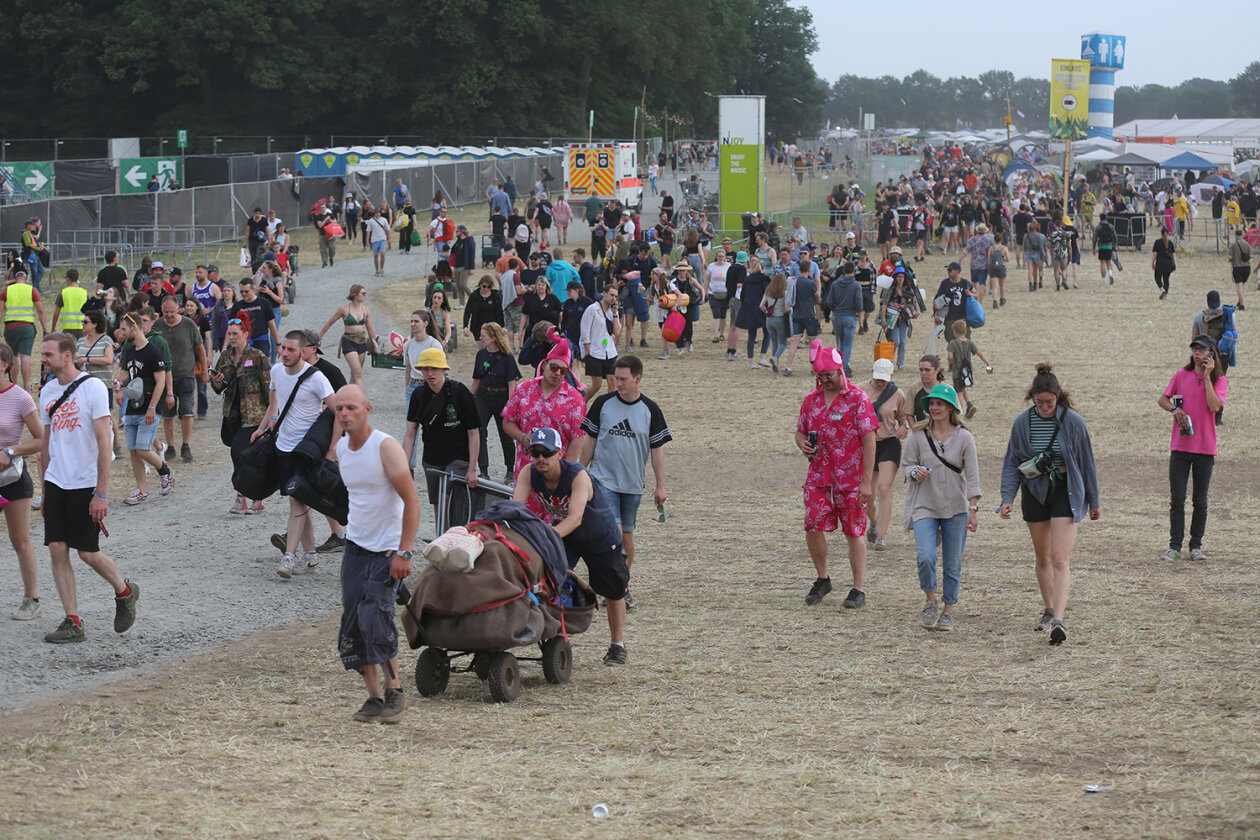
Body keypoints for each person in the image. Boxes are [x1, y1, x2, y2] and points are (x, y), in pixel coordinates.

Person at [37, 333, 138, 644]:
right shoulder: (46, 392)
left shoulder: (93, 387)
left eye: (48, 354)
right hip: (56, 482)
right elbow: (46, 444)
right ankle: (73, 620)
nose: (43, 359)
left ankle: (125, 591)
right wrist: (43, 491)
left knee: (88, 553)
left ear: (66, 356)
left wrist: (101, 492)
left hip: (85, 484)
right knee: (57, 548)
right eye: (42, 354)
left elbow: (103, 442)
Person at [333, 384, 419, 724]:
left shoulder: (385, 447)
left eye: (351, 408)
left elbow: (411, 501)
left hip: (387, 551)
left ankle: (394, 690)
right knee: (353, 622)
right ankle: (373, 697)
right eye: (339, 408)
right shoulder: (342, 448)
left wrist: (405, 552)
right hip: (355, 548)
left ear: (367, 409)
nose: (345, 414)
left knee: (376, 619)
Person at [999, 364, 1101, 646]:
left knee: (1059, 558)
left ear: (1059, 397)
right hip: (1035, 490)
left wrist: (1094, 500)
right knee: (1042, 557)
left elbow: (1087, 463)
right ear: (1032, 398)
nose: (1044, 407)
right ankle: (1048, 608)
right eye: (1039, 402)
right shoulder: (1023, 423)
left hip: (1066, 492)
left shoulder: (1073, 422)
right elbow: (1012, 462)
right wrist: (1007, 498)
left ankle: (1059, 618)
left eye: (1050, 402)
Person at [512, 427, 629, 666]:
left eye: (547, 452)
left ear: (560, 453)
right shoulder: (529, 472)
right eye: (535, 452)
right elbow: (515, 510)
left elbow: (575, 518)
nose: (541, 458)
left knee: (613, 590)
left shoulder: (577, 475)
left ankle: (617, 645)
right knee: (552, 581)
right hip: (566, 536)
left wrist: (545, 538)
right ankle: (557, 640)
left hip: (599, 535)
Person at [571, 354, 669, 607]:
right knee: (613, 536)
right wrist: (580, 472)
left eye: (624, 379)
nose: (618, 383)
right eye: (616, 377)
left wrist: (660, 485)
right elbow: (590, 440)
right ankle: (613, 588)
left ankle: (621, 585)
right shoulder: (603, 403)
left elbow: (657, 450)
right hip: (603, 481)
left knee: (626, 537)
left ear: (638, 379)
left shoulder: (650, 410)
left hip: (633, 485)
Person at [796, 340, 877, 609]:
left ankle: (858, 588)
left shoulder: (858, 400)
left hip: (851, 480)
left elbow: (869, 440)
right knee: (812, 523)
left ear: (840, 372)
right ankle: (822, 578)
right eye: (819, 377)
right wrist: (801, 442)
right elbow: (800, 430)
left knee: (854, 532)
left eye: (828, 376)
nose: (824, 381)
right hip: (819, 477)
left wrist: (867, 482)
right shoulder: (811, 400)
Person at [252, 331, 336, 578]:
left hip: (307, 451)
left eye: (291, 350)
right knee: (298, 498)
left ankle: (288, 558)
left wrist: (331, 448)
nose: (285, 353)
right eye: (283, 349)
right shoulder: (277, 371)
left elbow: (337, 411)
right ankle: (309, 555)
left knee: (297, 501)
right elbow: (273, 404)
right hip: (283, 447)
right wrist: (261, 427)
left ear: (304, 351)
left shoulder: (317, 378)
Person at [900, 383, 981, 632]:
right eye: (932, 404)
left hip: (956, 507)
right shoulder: (917, 436)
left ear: (951, 408)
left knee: (953, 562)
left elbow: (974, 476)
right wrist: (915, 471)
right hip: (924, 504)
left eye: (940, 404)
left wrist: (973, 508)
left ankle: (948, 610)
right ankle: (930, 601)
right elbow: (906, 466)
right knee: (926, 557)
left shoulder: (965, 437)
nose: (934, 408)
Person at [1159, 335, 1227, 562]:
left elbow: (1214, 406)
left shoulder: (1219, 380)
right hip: (1180, 447)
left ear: (1211, 353)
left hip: (1205, 449)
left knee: (1200, 499)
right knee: (1177, 498)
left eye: (1202, 349)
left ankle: (1196, 546)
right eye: (1194, 349)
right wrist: (1173, 410)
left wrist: (1208, 377)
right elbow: (1163, 399)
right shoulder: (1181, 375)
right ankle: (1174, 546)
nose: (1197, 353)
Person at [401, 347, 479, 527]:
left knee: (449, 502)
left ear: (443, 369)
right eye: (426, 369)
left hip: (459, 457)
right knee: (437, 504)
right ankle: (442, 538)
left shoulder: (460, 392)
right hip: (432, 458)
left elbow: (473, 432)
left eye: (434, 369)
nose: (430, 373)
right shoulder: (419, 395)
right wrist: (405, 466)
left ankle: (453, 538)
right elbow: (411, 432)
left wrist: (472, 468)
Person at [211, 313, 272, 514]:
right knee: (244, 454)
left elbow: (269, 388)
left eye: (236, 333)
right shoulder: (226, 357)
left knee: (240, 451)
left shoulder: (257, 357)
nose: (232, 337)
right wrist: (218, 382)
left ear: (245, 333)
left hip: (254, 414)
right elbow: (219, 386)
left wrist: (272, 415)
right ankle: (256, 497)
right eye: (229, 334)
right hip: (233, 413)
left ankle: (242, 496)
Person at [0, 343, 44, 620]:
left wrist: (10, 451)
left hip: (12, 478)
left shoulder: (20, 398)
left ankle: (32, 599)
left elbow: (41, 439)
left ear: (4, 364)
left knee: (20, 540)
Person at [501, 339, 587, 478]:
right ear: (543, 366)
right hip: (525, 471)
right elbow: (507, 422)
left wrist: (566, 474)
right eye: (553, 367)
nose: (557, 373)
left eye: (563, 371)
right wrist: (522, 437)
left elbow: (578, 438)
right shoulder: (523, 390)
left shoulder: (575, 399)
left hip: (556, 475)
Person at [116, 313, 173, 504]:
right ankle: (141, 490)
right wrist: (119, 383)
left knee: (142, 448)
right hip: (132, 407)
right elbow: (128, 375)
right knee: (133, 451)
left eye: (124, 329)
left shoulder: (153, 351)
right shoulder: (130, 350)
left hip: (148, 408)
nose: (121, 332)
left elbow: (161, 381)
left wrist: (153, 407)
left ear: (134, 327)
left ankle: (165, 472)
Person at [859, 358, 909, 552]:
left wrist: (904, 426)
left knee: (883, 489)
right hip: (867, 444)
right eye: (878, 378)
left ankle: (881, 537)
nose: (881, 383)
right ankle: (874, 521)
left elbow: (903, 417)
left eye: (884, 380)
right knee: (868, 495)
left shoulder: (897, 394)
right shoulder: (859, 390)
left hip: (889, 443)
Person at [153, 296, 207, 463]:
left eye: (172, 312)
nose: (169, 315)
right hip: (164, 377)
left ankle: (186, 445)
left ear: (178, 309)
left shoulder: (188, 324)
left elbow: (200, 348)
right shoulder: (158, 325)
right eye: (166, 312)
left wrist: (205, 371)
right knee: (168, 414)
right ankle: (170, 446)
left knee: (186, 411)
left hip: (186, 374)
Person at [469, 323, 521, 480]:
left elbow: (512, 384)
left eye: (483, 335)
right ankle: (483, 470)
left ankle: (510, 470)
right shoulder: (481, 355)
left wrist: (511, 406)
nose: (480, 338)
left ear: (493, 338)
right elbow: (477, 379)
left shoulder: (507, 358)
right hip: (483, 396)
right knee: (479, 432)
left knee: (505, 434)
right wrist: (469, 399)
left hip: (501, 398)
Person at [318, 285, 379, 387]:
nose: (365, 295)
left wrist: (375, 344)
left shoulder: (366, 310)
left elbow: (370, 329)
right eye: (363, 293)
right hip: (348, 341)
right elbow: (330, 322)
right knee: (358, 373)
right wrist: (319, 337)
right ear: (355, 294)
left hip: (361, 342)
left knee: (355, 375)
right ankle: (361, 399)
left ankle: (347, 398)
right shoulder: (344, 309)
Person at [0, 268, 48, 391]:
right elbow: (41, 310)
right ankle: (27, 386)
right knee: (25, 357)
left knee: (14, 357)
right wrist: (44, 328)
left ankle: (13, 385)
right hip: (27, 328)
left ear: (15, 279)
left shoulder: (6, 290)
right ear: (26, 279)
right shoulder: (32, 290)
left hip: (10, 328)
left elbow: (0, 310)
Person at [580, 283, 621, 401]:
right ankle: (582, 401)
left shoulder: (613, 311)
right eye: (611, 295)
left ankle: (611, 407)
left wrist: (614, 314)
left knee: (612, 382)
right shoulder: (592, 309)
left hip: (610, 352)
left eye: (615, 296)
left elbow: (617, 332)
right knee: (597, 385)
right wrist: (586, 354)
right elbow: (585, 333)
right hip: (594, 352)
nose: (614, 298)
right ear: (604, 294)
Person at [945, 320, 992, 420]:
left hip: (958, 371)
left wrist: (950, 365)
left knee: (958, 393)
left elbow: (949, 356)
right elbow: (979, 353)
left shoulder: (953, 343)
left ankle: (959, 413)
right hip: (967, 371)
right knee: (963, 387)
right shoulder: (969, 342)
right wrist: (987, 363)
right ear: (965, 331)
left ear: (954, 331)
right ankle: (970, 404)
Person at [462, 275, 503, 342]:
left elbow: (500, 313)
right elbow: (467, 311)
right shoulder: (474, 296)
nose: (486, 289)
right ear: (480, 285)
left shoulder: (496, 296)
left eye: (488, 287)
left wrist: (501, 326)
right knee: (481, 346)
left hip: (492, 326)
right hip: (478, 326)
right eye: (484, 286)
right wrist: (465, 326)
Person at [50, 269, 89, 339]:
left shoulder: (63, 293)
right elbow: (90, 312)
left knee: (69, 349)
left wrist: (53, 328)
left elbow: (56, 313)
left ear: (68, 279)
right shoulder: (84, 293)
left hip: (68, 328)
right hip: (82, 327)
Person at [1151, 226, 1177, 301]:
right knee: (1166, 279)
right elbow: (1173, 254)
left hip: (1160, 263)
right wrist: (1174, 264)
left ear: (1161, 234)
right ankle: (1165, 296)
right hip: (1169, 263)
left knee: (1157, 277)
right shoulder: (1171, 243)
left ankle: (1162, 289)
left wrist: (1152, 263)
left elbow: (1155, 254)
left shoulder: (1157, 242)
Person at [1228, 228, 1250, 310]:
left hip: (1237, 267)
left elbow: (1230, 257)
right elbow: (1251, 255)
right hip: (1247, 267)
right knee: (1242, 285)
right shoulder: (1247, 244)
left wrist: (1230, 260)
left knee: (1239, 286)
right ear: (1242, 235)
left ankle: (1242, 305)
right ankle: (1240, 301)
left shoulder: (1233, 245)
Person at [366, 207, 390, 277]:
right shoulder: (371, 221)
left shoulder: (384, 220)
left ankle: (382, 268)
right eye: (376, 213)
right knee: (376, 255)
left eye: (379, 213)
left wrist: (389, 238)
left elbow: (387, 229)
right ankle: (377, 270)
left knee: (382, 253)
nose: (378, 214)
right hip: (374, 240)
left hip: (382, 239)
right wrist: (367, 240)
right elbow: (368, 231)